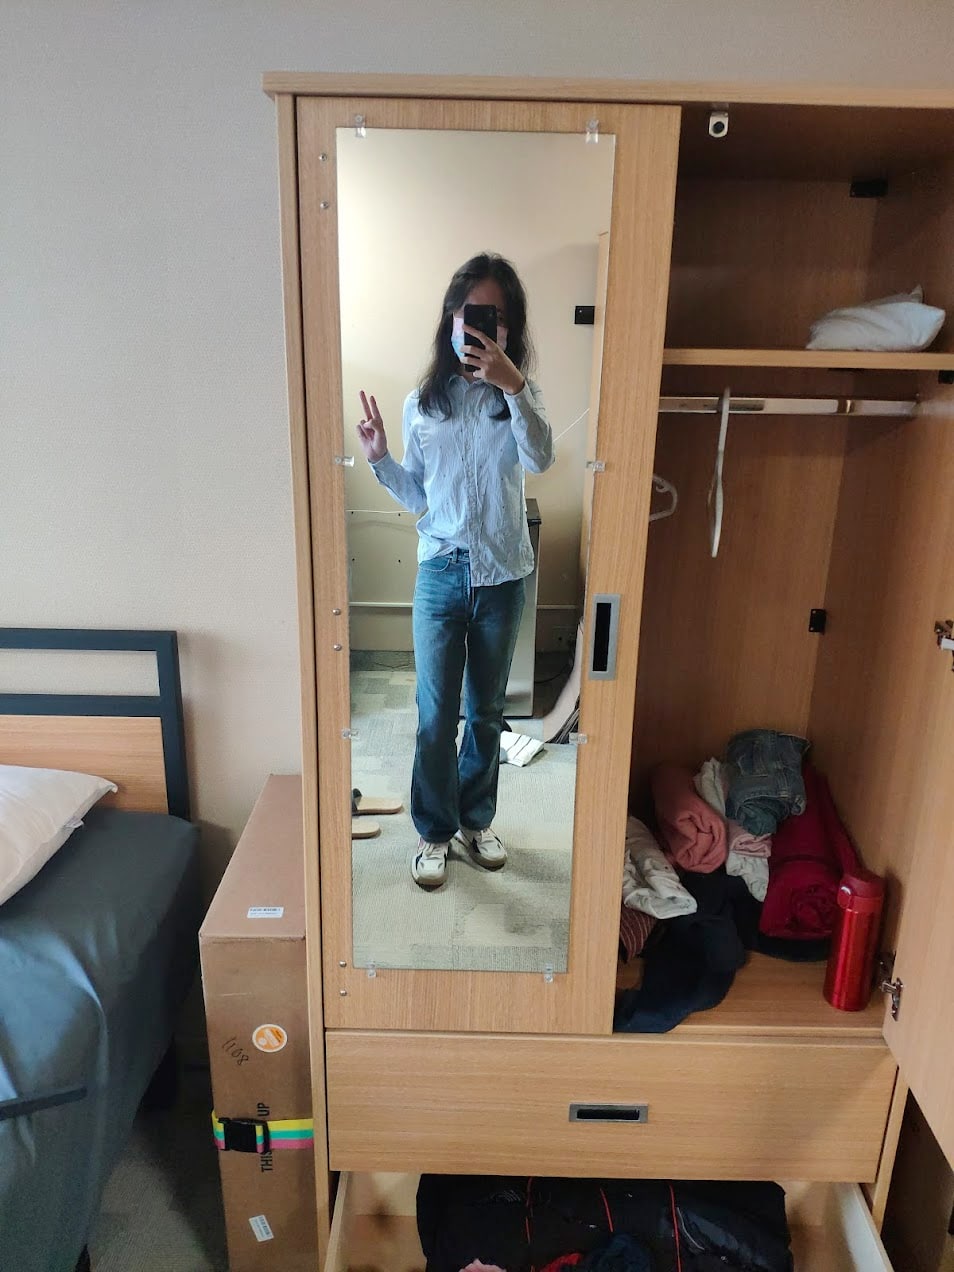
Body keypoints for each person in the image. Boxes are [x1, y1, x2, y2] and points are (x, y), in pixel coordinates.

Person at [356, 253, 554, 890]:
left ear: (510, 327)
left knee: (487, 713)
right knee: (436, 715)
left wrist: (512, 386)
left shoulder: (520, 395)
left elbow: (541, 459)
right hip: (441, 572)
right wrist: (380, 458)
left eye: (495, 317)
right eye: (471, 314)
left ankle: (477, 819)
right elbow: (421, 496)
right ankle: (435, 830)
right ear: (451, 320)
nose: (481, 328)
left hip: (502, 576)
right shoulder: (423, 403)